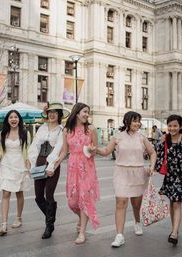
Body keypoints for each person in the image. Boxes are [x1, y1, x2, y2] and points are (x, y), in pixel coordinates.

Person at [94, 111, 156, 248]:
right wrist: (96, 150)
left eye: (138, 121)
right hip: (121, 172)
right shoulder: (118, 136)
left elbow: (152, 153)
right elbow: (106, 151)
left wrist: (151, 166)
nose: (137, 123)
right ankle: (119, 235)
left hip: (138, 173)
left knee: (136, 204)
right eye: (135, 121)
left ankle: (137, 221)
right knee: (121, 203)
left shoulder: (142, 137)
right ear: (127, 121)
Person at [55, 102, 100, 245]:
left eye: (88, 112)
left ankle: (82, 232)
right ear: (77, 112)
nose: (87, 114)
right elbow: (64, 151)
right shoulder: (67, 130)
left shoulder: (91, 129)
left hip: (87, 167)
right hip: (73, 167)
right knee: (72, 202)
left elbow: (95, 148)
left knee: (85, 198)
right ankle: (81, 217)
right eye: (85, 111)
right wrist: (55, 163)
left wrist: (93, 149)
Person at [28, 102, 70, 239]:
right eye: (50, 112)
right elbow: (34, 146)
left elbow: (58, 148)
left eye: (55, 112)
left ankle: (48, 226)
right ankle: (51, 218)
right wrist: (32, 163)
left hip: (52, 164)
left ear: (59, 115)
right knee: (38, 197)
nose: (52, 114)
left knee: (49, 195)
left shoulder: (61, 130)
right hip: (39, 162)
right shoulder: (42, 128)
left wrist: (51, 166)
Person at [0, 110, 31, 236]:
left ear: (19, 119)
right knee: (6, 194)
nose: (13, 119)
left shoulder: (25, 133)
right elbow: (1, 153)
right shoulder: (3, 133)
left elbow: (28, 151)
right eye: (11, 117)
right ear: (7, 120)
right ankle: (4, 224)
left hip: (20, 165)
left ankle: (18, 218)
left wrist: (29, 167)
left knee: (19, 193)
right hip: (6, 165)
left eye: (15, 117)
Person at [158, 115, 182, 246]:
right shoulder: (165, 138)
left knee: (177, 204)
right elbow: (158, 156)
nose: (172, 128)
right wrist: (160, 142)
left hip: (180, 177)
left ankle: (174, 233)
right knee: (172, 203)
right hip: (169, 176)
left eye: (175, 125)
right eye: (170, 125)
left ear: (180, 126)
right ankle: (175, 229)